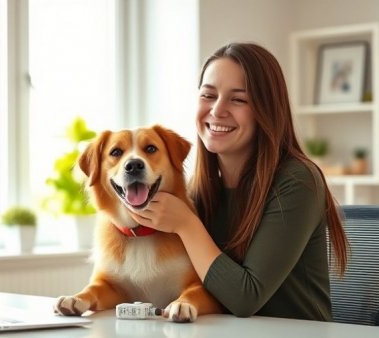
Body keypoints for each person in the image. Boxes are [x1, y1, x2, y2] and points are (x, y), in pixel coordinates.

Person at [128, 42, 348, 321]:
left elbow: (245, 298)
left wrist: (186, 224)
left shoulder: (298, 181)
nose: (217, 110)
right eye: (208, 95)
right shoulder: (201, 188)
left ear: (266, 110)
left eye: (239, 99)